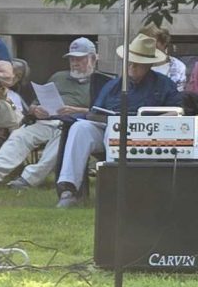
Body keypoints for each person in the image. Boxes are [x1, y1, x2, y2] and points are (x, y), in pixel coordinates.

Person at [50, 32, 182, 207]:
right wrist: (100, 117)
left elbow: (178, 112)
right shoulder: (114, 85)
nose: (131, 66)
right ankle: (69, 189)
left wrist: (147, 120)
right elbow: (95, 111)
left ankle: (112, 189)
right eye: (129, 61)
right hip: (109, 128)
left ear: (149, 64)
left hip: (144, 134)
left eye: (137, 63)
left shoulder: (164, 85)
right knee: (80, 128)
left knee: (115, 129)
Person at [0, 37, 101, 188]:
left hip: (74, 125)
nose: (74, 63)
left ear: (93, 59)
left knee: (62, 139)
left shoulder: (100, 82)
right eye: (72, 59)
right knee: (20, 135)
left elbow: (102, 113)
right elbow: (34, 104)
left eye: (80, 59)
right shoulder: (59, 77)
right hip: (46, 120)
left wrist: (78, 110)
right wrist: (35, 110)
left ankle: (27, 180)